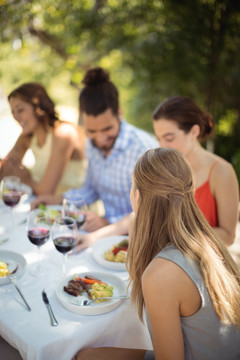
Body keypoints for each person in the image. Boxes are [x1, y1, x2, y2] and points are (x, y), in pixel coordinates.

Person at [73, 148, 240, 360]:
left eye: (132, 186)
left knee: (83, 357)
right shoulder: (208, 239)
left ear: (138, 196)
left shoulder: (161, 274)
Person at [76, 95, 239, 249]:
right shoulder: (166, 169)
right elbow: (139, 214)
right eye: (159, 138)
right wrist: (95, 237)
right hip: (167, 258)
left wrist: (175, 234)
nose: (162, 146)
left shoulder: (221, 172)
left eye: (169, 138)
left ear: (194, 132)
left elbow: (228, 236)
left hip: (205, 265)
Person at [31, 67, 158, 232]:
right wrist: (59, 200)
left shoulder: (145, 150)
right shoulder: (91, 145)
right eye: (91, 131)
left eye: (107, 129)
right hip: (105, 238)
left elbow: (154, 211)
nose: (100, 139)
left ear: (119, 114)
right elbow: (91, 189)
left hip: (141, 237)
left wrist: (107, 223)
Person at [0, 82, 87, 195]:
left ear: (39, 107)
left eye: (20, 110)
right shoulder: (28, 136)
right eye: (13, 112)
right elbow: (4, 171)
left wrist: (25, 177)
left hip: (74, 207)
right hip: (46, 208)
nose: (16, 117)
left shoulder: (63, 133)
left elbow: (46, 192)